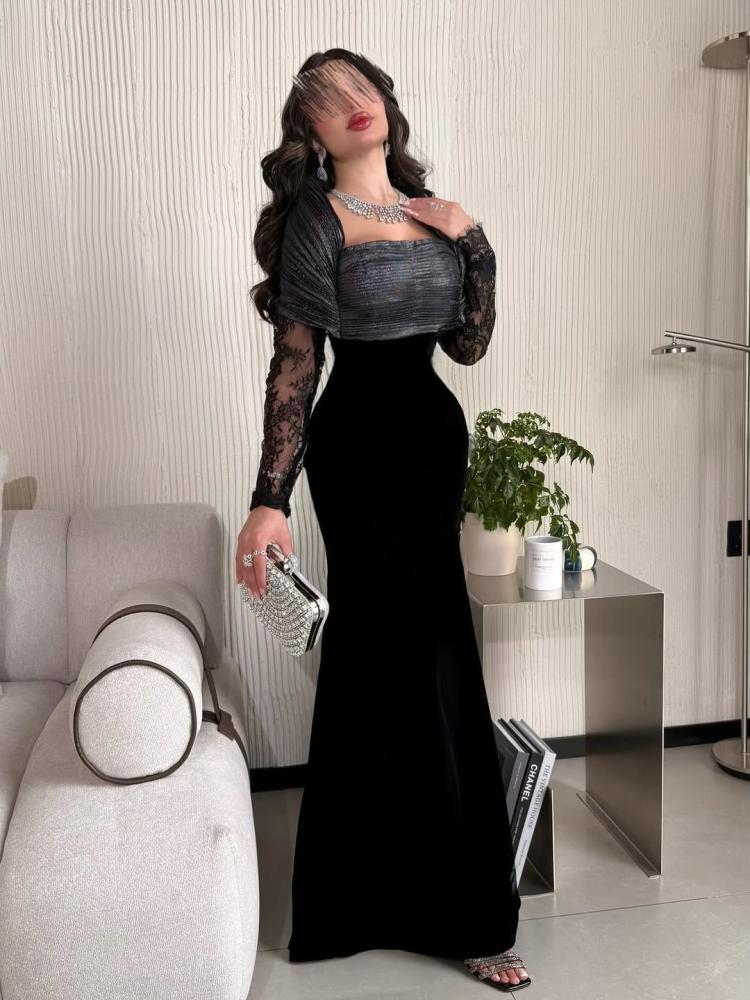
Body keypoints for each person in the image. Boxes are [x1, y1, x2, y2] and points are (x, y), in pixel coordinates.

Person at [236, 49, 531, 993]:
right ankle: (353, 906)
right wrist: (270, 498)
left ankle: (463, 910)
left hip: (433, 441)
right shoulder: (316, 223)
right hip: (358, 451)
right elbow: (297, 366)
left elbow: (468, 344)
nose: (351, 105)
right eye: (327, 100)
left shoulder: (434, 215)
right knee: (375, 654)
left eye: (360, 88)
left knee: (440, 647)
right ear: (311, 130)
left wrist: (473, 240)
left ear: (386, 104)